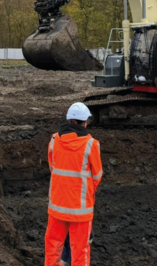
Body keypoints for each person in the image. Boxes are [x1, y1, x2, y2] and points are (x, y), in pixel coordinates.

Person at [44, 102, 103, 266]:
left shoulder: (54, 140)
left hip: (57, 206)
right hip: (80, 210)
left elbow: (52, 167)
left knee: (53, 248)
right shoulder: (91, 145)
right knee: (80, 252)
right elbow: (97, 176)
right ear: (84, 122)